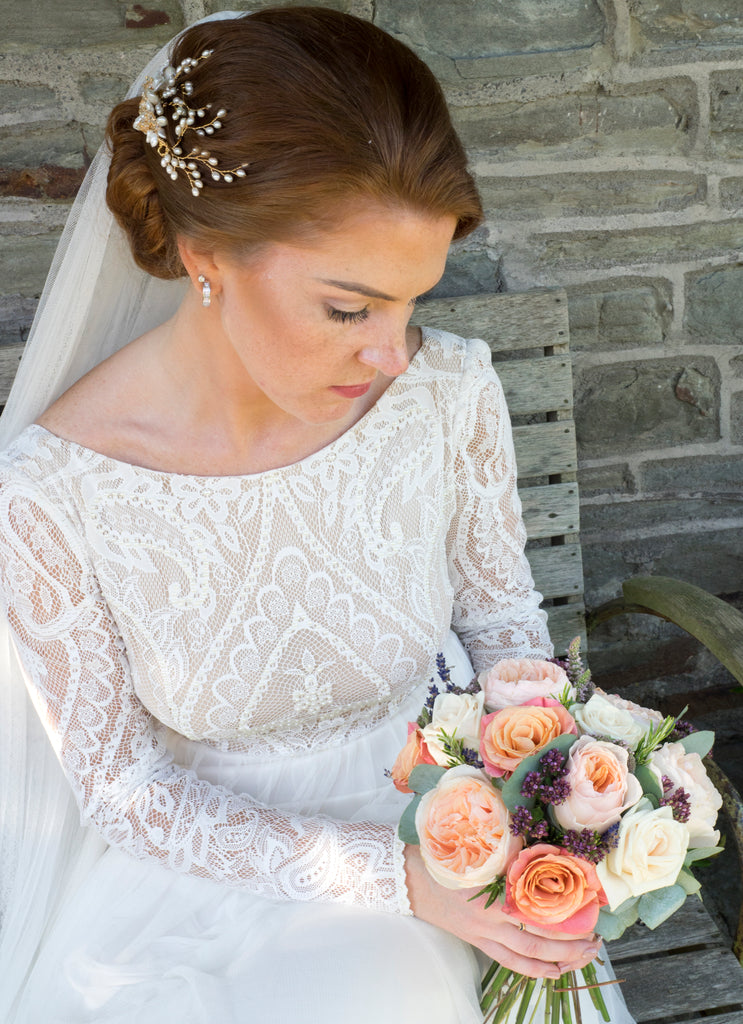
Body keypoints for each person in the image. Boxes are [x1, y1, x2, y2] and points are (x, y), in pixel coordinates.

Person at [0, 8, 634, 1023]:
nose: (391, 353)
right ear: (205, 249)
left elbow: (505, 626)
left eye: (410, 299)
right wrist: (392, 881)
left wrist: (554, 801)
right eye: (349, 309)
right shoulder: (59, 490)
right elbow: (127, 795)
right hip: (218, 881)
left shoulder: (446, 392)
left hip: (456, 831)